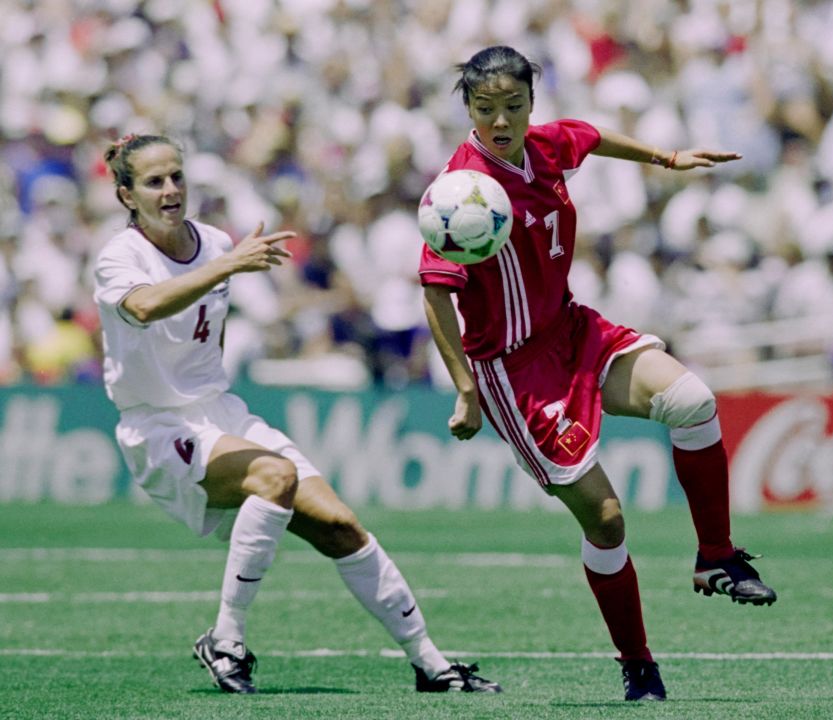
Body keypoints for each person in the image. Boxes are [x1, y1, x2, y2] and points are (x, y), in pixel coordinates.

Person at [418, 46, 778, 703]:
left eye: (514, 106)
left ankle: (716, 555)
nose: (501, 120)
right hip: (514, 371)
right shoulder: (461, 190)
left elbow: (588, 135)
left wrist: (667, 160)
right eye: (485, 108)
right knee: (607, 523)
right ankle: (638, 664)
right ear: (466, 107)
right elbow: (435, 291)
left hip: (573, 331)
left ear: (532, 102)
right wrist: (466, 390)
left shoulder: (547, 145)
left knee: (693, 401)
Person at [91, 133, 499, 696]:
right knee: (275, 476)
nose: (171, 190)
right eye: (154, 181)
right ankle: (226, 640)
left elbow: (221, 326)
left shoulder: (213, 242)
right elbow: (143, 305)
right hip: (158, 423)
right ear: (126, 195)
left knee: (341, 527)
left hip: (222, 411)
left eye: (177, 176)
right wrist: (228, 264)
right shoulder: (122, 255)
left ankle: (431, 664)